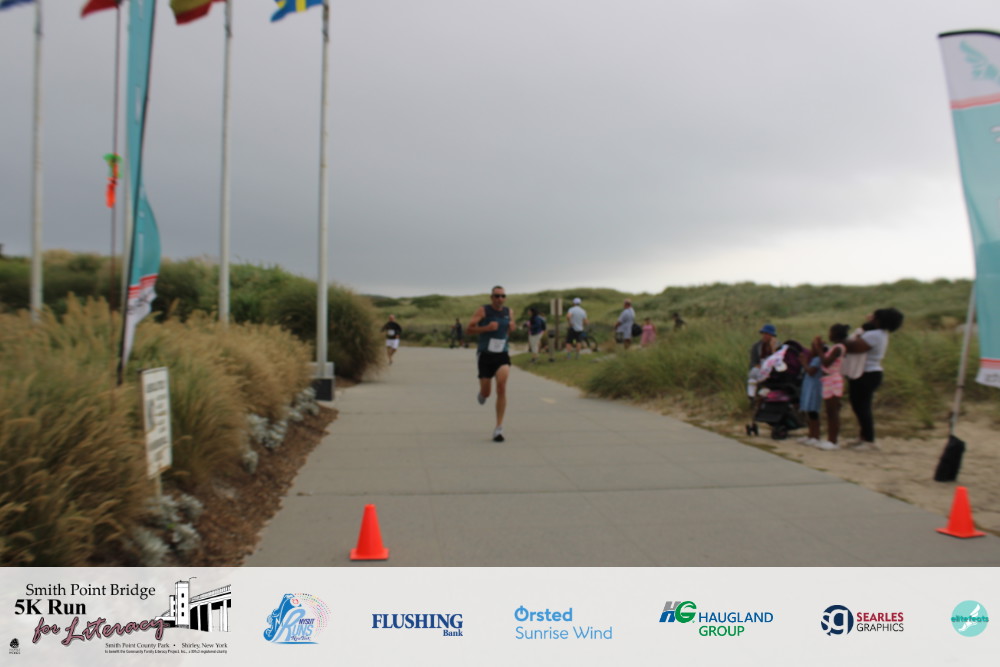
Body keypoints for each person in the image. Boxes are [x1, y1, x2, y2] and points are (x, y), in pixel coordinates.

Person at [843, 308, 904, 451]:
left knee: (862, 406)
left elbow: (854, 347)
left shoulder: (874, 335)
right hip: (867, 372)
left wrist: (845, 339)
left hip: (867, 373)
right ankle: (863, 436)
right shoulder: (878, 334)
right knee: (859, 405)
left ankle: (869, 439)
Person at [467, 285, 516, 442]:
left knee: (501, 387)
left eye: (503, 296)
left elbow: (508, 331)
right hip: (485, 355)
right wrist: (487, 328)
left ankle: (498, 428)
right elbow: (469, 329)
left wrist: (512, 328)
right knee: (487, 392)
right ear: (491, 297)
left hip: (502, 354)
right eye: (497, 296)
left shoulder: (509, 312)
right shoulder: (483, 311)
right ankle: (482, 393)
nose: (500, 299)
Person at [812, 323, 849, 450]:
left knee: (832, 411)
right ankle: (830, 439)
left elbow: (826, 363)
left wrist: (818, 349)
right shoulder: (835, 347)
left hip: (833, 379)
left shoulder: (839, 348)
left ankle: (833, 441)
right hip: (828, 380)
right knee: (829, 411)